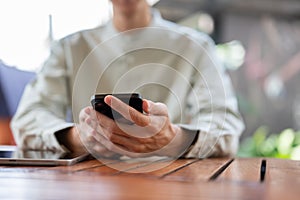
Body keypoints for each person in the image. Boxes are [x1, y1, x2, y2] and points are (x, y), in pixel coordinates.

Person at [11, 0, 244, 159]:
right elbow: (28, 118)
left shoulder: (197, 47)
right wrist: (79, 137)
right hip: (89, 185)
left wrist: (171, 139)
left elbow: (226, 127)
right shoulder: (68, 48)